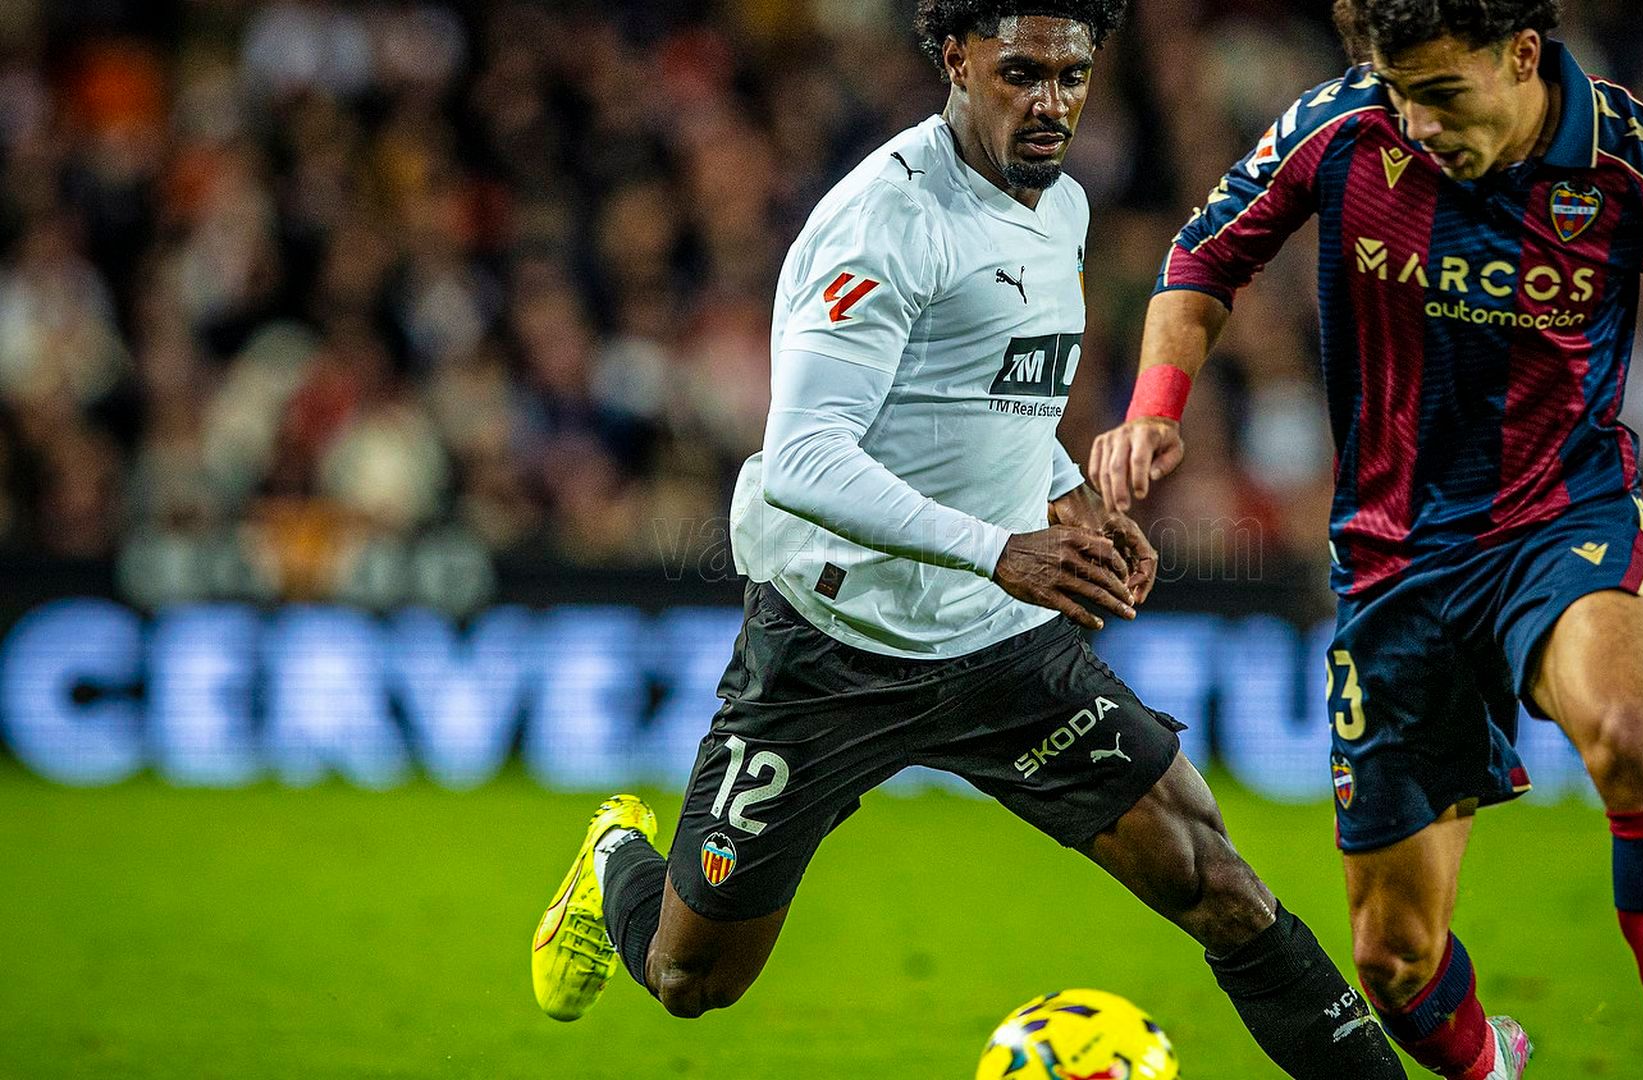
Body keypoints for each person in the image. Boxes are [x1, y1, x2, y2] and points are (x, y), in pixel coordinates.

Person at [530, 3, 1409, 1076]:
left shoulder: (1064, 208)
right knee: (690, 981)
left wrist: (1068, 490)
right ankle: (618, 858)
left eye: (1074, 75)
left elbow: (993, 403)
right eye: (1022, 71)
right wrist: (1005, 550)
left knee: (1218, 885)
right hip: (828, 648)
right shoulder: (882, 222)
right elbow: (804, 458)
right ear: (956, 57)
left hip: (1001, 648)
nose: (1052, 103)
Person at [1087, 2, 1643, 1079]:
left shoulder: (1634, 164)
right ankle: (1492, 1063)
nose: (1417, 125)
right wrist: (1158, 406)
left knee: (1626, 734)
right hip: (1393, 565)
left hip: (1560, 521)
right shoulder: (1336, 128)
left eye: (1441, 94)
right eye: (1398, 93)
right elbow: (1203, 259)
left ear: (1523, 55)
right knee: (1394, 963)